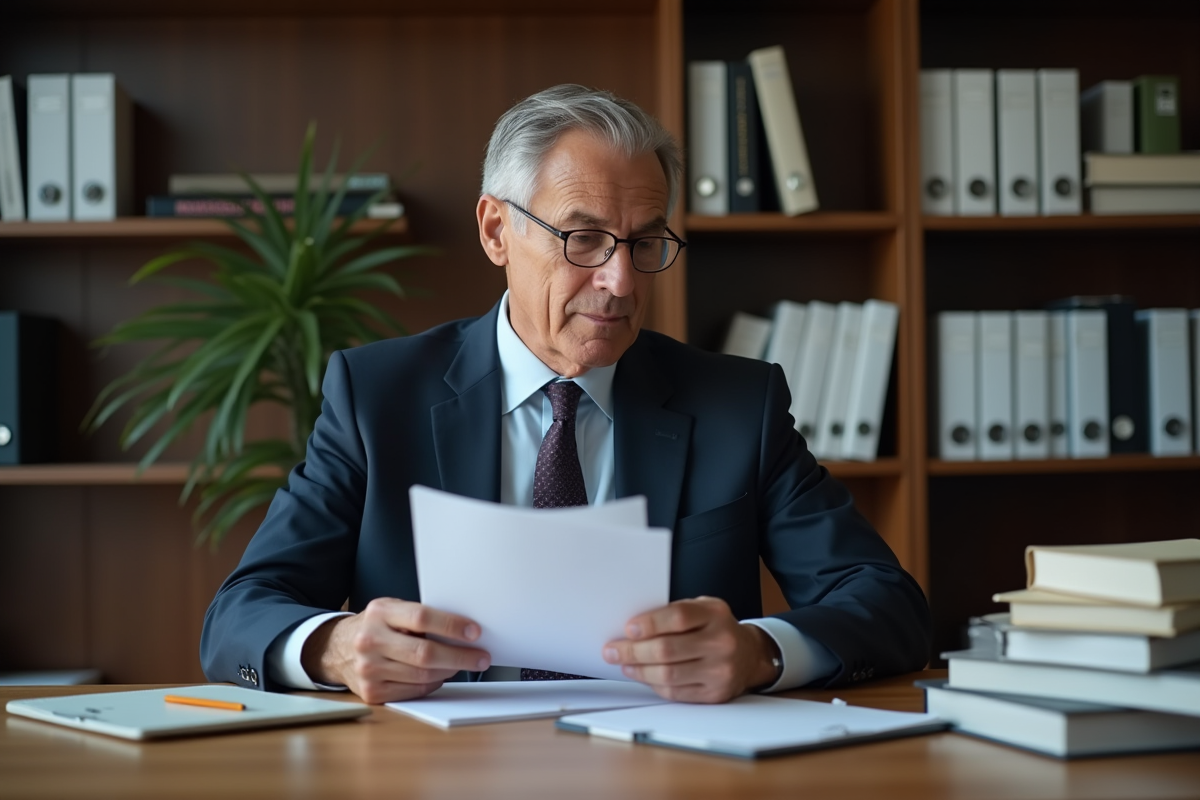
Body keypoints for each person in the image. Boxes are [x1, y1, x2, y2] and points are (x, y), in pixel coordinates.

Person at [201, 85, 930, 705]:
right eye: (583, 239)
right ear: (496, 230)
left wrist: (759, 652)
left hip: (674, 767)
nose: (621, 282)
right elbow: (240, 614)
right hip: (436, 768)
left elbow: (889, 606)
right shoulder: (377, 397)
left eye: (645, 243)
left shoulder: (739, 405)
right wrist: (335, 646)